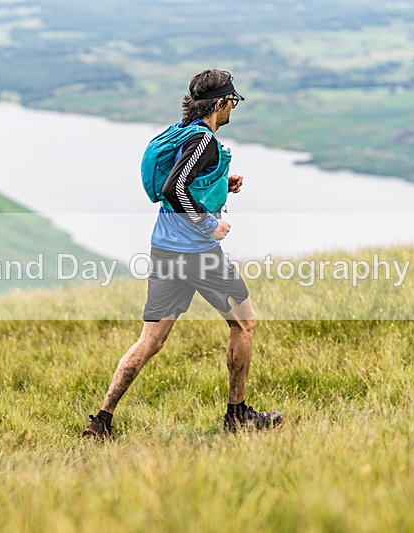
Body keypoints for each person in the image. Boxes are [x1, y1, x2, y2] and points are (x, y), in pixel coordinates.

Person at [82, 69, 282, 439]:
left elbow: (185, 180)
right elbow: (175, 188)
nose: (232, 109)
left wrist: (223, 181)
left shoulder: (182, 131)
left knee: (151, 341)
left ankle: (101, 420)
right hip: (198, 253)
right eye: (232, 102)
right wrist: (209, 225)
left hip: (165, 251)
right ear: (220, 104)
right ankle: (236, 416)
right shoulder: (203, 140)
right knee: (245, 323)